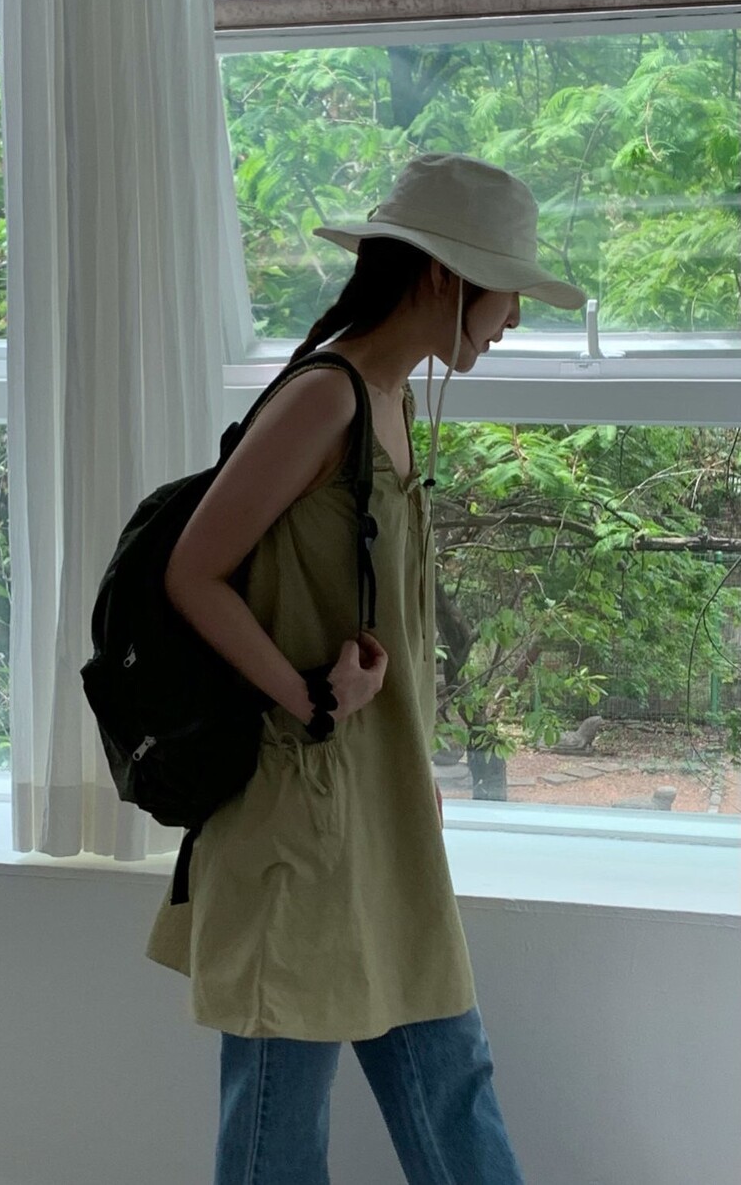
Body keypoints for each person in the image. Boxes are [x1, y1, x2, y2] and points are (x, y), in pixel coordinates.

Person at [146, 153, 586, 1184]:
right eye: (507, 289)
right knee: (278, 1127)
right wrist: (308, 698)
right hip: (296, 816)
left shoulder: (392, 397)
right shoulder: (325, 398)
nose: (514, 316)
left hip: (378, 806)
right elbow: (192, 573)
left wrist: (410, 763)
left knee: (451, 1083)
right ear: (442, 276)